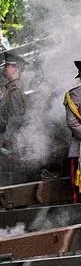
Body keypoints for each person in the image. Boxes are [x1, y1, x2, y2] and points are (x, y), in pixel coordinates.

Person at [0, 52, 27, 183]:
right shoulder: (10, 89)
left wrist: (7, 140)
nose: (4, 67)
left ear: (16, 69)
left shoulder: (15, 90)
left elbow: (16, 118)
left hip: (11, 141)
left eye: (8, 65)